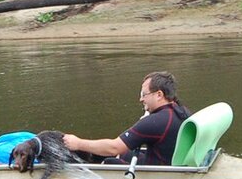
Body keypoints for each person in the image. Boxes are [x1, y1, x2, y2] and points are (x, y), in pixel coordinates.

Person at [63, 71, 191, 166]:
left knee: (110, 161)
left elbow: (114, 147)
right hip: (169, 161)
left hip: (160, 172)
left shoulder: (155, 121)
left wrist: (78, 143)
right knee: (126, 154)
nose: (141, 99)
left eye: (144, 94)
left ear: (159, 95)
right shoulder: (182, 111)